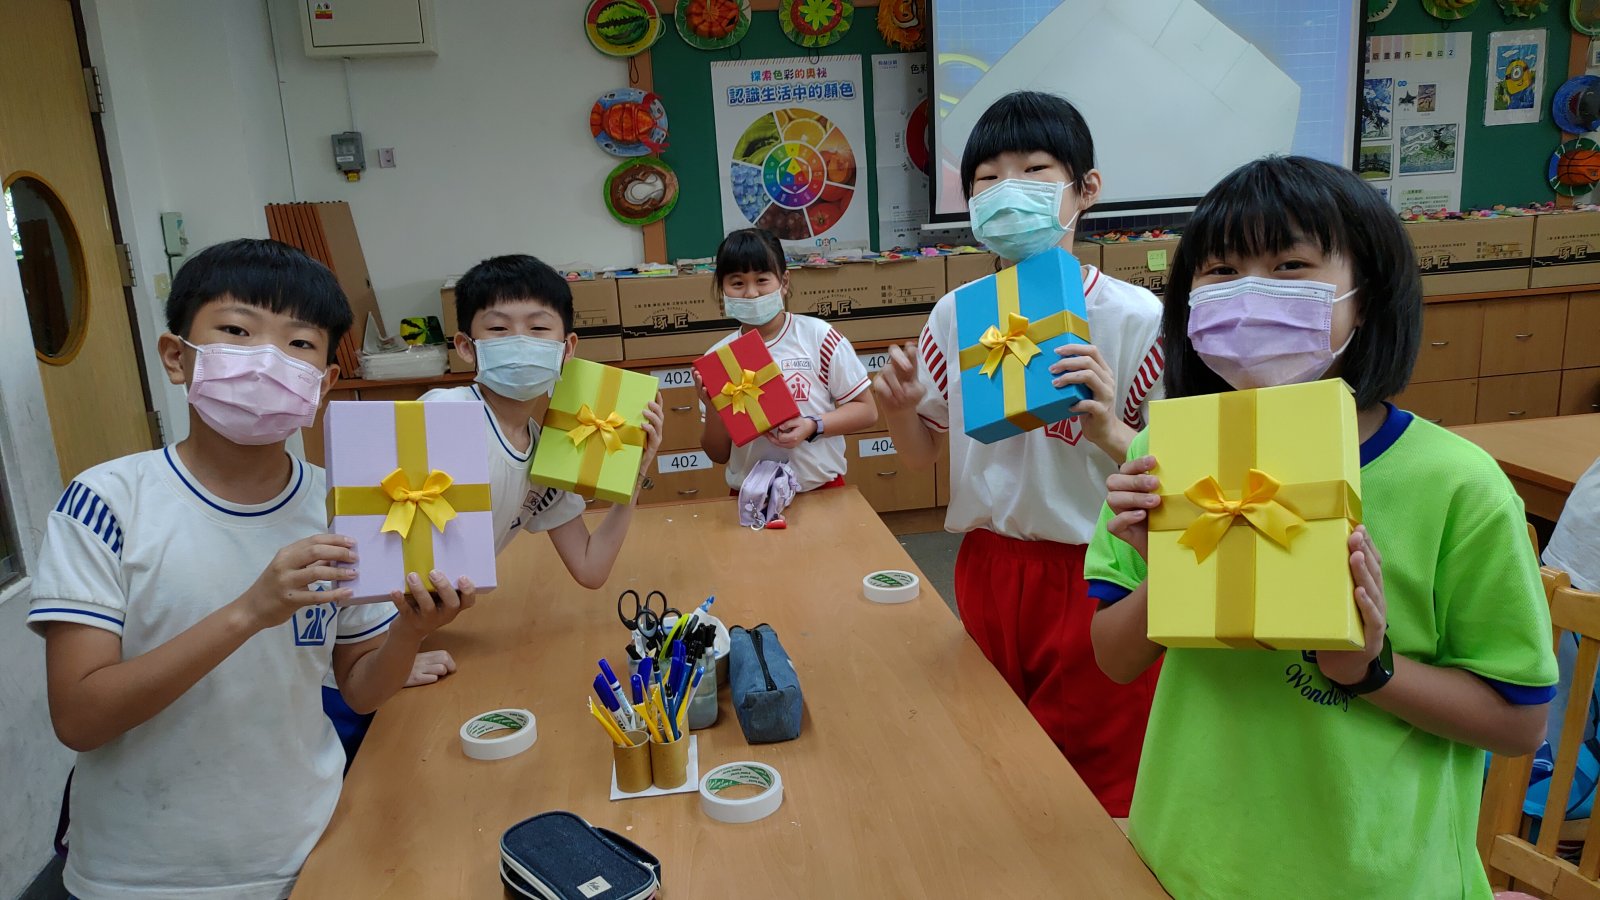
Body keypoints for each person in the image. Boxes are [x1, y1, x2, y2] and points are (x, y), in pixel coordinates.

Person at [1085, 156, 1557, 897]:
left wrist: (1369, 670)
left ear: (1364, 298)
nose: (1251, 295)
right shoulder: (1162, 454)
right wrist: (1172, 573)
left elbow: (1519, 722)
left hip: (1371, 876)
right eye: (1221, 271)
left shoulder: (1457, 484)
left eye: (1290, 265)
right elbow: (1114, 658)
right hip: (1184, 861)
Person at [28, 238, 473, 900]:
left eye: (299, 344)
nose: (268, 361)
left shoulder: (342, 504)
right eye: (237, 331)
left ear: (324, 384)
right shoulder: (107, 502)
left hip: (309, 847)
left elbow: (359, 687)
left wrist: (410, 630)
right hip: (142, 873)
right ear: (177, 356)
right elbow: (80, 717)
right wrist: (250, 612)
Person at [872, 90, 1165, 816]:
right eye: (988, 178)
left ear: (1086, 189)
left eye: (1034, 171)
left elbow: (1180, 476)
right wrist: (900, 410)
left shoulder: (1137, 318)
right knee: (992, 751)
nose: (1009, 190)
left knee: (1100, 772)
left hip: (1098, 567)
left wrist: (1108, 426)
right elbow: (921, 454)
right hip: (988, 565)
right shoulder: (957, 314)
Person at [322, 253, 665, 757]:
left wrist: (631, 480)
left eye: (538, 328)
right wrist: (390, 650)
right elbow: (377, 548)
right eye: (499, 329)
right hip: (352, 651)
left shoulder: (546, 448)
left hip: (411, 630)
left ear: (567, 348)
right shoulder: (445, 414)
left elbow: (591, 568)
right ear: (467, 346)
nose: (520, 342)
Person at [696, 227, 878, 493]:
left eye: (762, 280)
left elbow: (867, 411)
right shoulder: (718, 359)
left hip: (821, 491)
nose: (751, 293)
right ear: (721, 288)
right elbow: (718, 454)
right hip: (751, 498)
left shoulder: (820, 337)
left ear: (784, 282)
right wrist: (713, 407)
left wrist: (812, 426)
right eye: (737, 283)